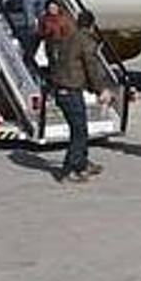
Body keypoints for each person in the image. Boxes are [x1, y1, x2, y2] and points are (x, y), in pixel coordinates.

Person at [50, 10, 113, 183]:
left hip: (61, 89)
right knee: (79, 132)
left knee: (81, 129)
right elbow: (91, 67)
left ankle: (82, 163)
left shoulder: (68, 37)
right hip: (70, 90)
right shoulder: (85, 41)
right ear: (92, 25)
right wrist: (101, 89)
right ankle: (68, 169)